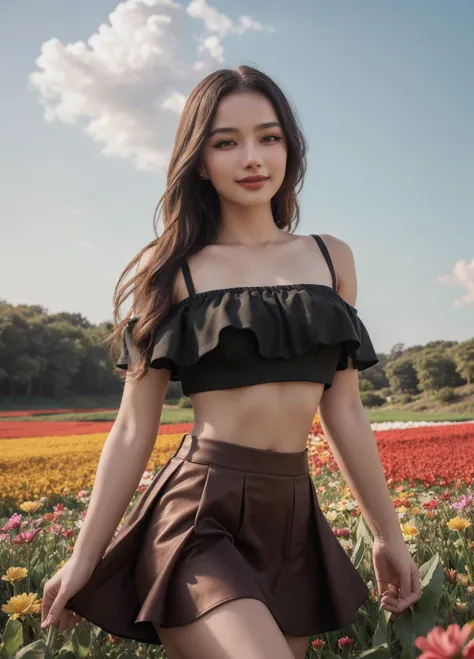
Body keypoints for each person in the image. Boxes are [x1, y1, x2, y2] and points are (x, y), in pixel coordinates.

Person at [40, 65, 421, 659]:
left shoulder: (329, 259)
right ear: (198, 158)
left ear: (290, 147)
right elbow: (134, 426)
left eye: (269, 137)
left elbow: (344, 408)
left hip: (293, 517)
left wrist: (386, 535)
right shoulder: (169, 272)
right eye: (226, 142)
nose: (253, 158)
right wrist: (85, 554)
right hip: (199, 515)